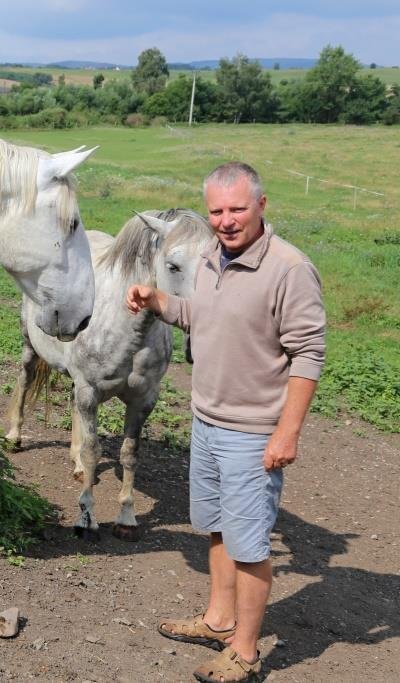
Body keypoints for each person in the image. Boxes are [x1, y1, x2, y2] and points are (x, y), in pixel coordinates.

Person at [125, 162, 326, 683]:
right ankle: (218, 619)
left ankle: (245, 651)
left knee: (250, 545)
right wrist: (157, 299)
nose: (226, 220)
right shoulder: (213, 256)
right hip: (207, 422)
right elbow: (201, 316)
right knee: (216, 528)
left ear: (262, 204)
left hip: (252, 432)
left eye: (237, 208)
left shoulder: (289, 268)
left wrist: (288, 431)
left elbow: (307, 353)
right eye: (216, 210)